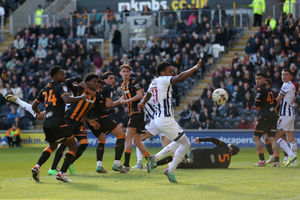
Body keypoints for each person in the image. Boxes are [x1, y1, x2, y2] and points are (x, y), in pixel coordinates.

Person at [139, 59, 202, 183]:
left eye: (172, 71)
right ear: (162, 73)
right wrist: (194, 68)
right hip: (165, 119)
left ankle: (154, 158)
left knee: (179, 142)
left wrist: (142, 102)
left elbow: (148, 94)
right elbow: (181, 77)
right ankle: (170, 170)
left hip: (157, 119)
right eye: (170, 71)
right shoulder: (163, 80)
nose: (172, 73)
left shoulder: (153, 82)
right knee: (186, 145)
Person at [31, 66, 87, 183]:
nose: (64, 76)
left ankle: (37, 166)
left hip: (47, 123)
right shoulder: (62, 86)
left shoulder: (45, 88)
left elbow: (33, 106)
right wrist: (81, 97)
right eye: (62, 74)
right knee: (74, 147)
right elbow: (66, 99)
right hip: (58, 123)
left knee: (52, 146)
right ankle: (61, 173)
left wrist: (38, 114)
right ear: (55, 75)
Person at [47, 74, 99, 176]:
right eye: (94, 82)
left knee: (84, 144)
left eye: (97, 82)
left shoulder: (97, 95)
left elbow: (91, 96)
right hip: (69, 119)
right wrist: (76, 79)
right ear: (87, 81)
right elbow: (66, 83)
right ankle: (52, 168)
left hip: (79, 122)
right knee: (65, 144)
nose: (96, 84)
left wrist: (89, 120)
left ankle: (69, 162)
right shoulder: (79, 89)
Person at [86, 73, 127, 173]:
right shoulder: (107, 88)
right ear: (104, 80)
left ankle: (99, 165)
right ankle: (117, 164)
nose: (112, 80)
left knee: (102, 139)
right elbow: (108, 105)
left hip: (90, 120)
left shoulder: (93, 89)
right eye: (110, 78)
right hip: (102, 119)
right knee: (121, 136)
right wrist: (120, 100)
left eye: (114, 78)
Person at [119, 64, 151, 171]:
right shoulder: (123, 85)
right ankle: (150, 160)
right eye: (123, 71)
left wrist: (126, 101)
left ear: (130, 73)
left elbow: (140, 95)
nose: (125, 73)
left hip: (137, 112)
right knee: (137, 141)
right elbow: (124, 96)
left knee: (127, 137)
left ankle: (126, 164)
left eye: (127, 71)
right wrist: (117, 102)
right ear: (120, 73)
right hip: (133, 113)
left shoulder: (135, 82)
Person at [253, 73, 279, 167]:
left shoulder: (260, 90)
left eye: (259, 78)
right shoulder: (271, 91)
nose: (257, 81)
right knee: (272, 138)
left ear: (264, 80)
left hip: (265, 116)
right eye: (256, 79)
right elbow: (275, 103)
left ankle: (261, 161)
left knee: (256, 137)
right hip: (273, 116)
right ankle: (276, 162)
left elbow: (256, 104)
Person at [275, 68, 297, 167]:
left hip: (285, 114)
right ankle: (294, 162)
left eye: (286, 75)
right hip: (291, 114)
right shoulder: (292, 86)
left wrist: (270, 106)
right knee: (291, 138)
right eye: (282, 74)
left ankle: (291, 155)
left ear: (290, 76)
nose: (284, 76)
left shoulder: (285, 85)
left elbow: (278, 100)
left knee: (277, 136)